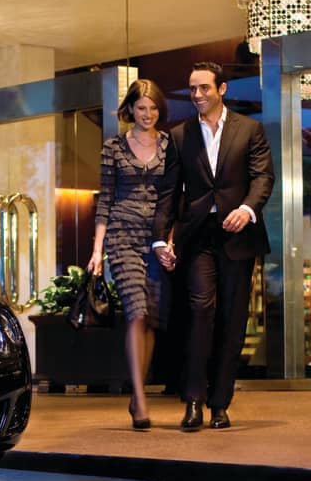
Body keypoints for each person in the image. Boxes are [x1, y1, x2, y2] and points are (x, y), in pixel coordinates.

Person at [153, 62, 275, 430]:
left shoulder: (250, 129)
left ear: (221, 89)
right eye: (192, 89)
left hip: (238, 234)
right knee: (200, 311)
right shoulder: (178, 135)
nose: (197, 95)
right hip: (197, 236)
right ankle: (193, 401)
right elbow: (169, 192)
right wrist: (161, 237)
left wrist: (247, 209)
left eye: (204, 88)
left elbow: (263, 177)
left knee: (232, 320)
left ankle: (220, 404)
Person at [88, 78, 172, 430]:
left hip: (156, 238)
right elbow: (105, 199)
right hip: (121, 235)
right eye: (141, 108)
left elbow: (174, 198)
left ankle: (138, 391)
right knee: (136, 311)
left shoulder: (171, 145)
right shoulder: (113, 147)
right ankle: (140, 398)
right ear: (130, 110)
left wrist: (170, 241)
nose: (148, 114)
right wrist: (97, 250)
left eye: (153, 108)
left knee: (150, 318)